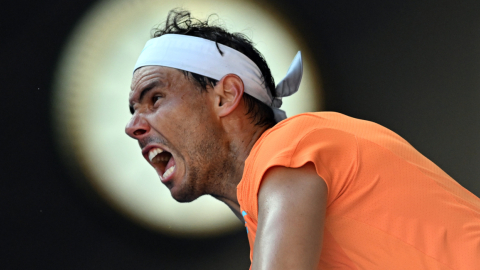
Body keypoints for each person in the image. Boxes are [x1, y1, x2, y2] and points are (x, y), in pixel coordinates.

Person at [125, 9, 480, 270]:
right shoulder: (267, 224)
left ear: (225, 96)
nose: (133, 127)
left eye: (155, 98)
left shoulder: (289, 143)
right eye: (132, 110)